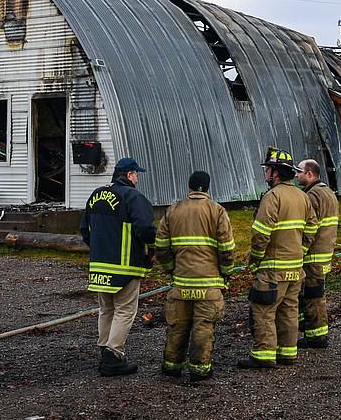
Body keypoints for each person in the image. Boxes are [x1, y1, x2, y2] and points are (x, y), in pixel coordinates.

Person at [238, 147, 317, 369]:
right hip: (295, 268)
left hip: (273, 270)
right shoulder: (303, 197)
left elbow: (261, 234)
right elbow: (312, 229)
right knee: (289, 311)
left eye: (267, 170)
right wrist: (300, 250)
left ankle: (263, 355)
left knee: (264, 310)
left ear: (275, 173)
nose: (265, 174)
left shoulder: (272, 197)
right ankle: (287, 352)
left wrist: (255, 258)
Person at [154, 170, 235, 381]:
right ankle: (200, 370)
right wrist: (225, 272)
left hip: (180, 283)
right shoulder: (217, 211)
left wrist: (171, 268)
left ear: (189, 187)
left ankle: (172, 367)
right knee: (203, 327)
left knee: (178, 326)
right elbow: (226, 248)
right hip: (209, 285)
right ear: (207, 188)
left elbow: (161, 246)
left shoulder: (173, 210)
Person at [79, 156, 156, 377]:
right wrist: (154, 248)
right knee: (125, 310)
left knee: (106, 309)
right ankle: (114, 356)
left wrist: (98, 250)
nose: (138, 180)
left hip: (100, 266)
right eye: (136, 175)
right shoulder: (133, 196)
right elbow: (144, 227)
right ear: (129, 175)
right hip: (125, 267)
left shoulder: (96, 195)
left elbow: (85, 229)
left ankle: (105, 350)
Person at [296, 158, 339, 349]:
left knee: (312, 296)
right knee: (316, 294)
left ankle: (316, 337)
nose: (296, 175)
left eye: (299, 172)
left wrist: (300, 250)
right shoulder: (327, 192)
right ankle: (314, 331)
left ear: (309, 174)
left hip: (313, 255)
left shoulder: (313, 196)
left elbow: (308, 227)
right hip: (324, 253)